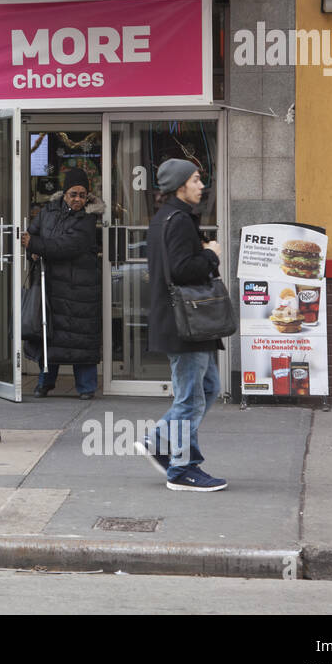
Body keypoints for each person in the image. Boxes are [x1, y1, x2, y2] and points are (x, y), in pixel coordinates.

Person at [135, 159, 227, 491]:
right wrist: (212, 254)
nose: (202, 185)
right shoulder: (179, 222)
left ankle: (159, 441)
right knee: (191, 398)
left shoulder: (165, 219)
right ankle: (182, 468)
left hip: (185, 323)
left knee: (207, 388)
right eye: (196, 179)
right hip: (186, 323)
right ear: (179, 186)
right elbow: (182, 270)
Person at [22, 168, 100, 399]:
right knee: (50, 335)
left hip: (80, 289)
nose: (78, 199)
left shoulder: (88, 219)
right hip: (51, 285)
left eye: (82, 195)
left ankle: (86, 387)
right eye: (73, 194)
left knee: (79, 338)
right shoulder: (48, 212)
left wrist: (36, 246)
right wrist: (32, 251)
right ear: (64, 193)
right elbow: (31, 236)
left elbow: (68, 246)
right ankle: (45, 383)